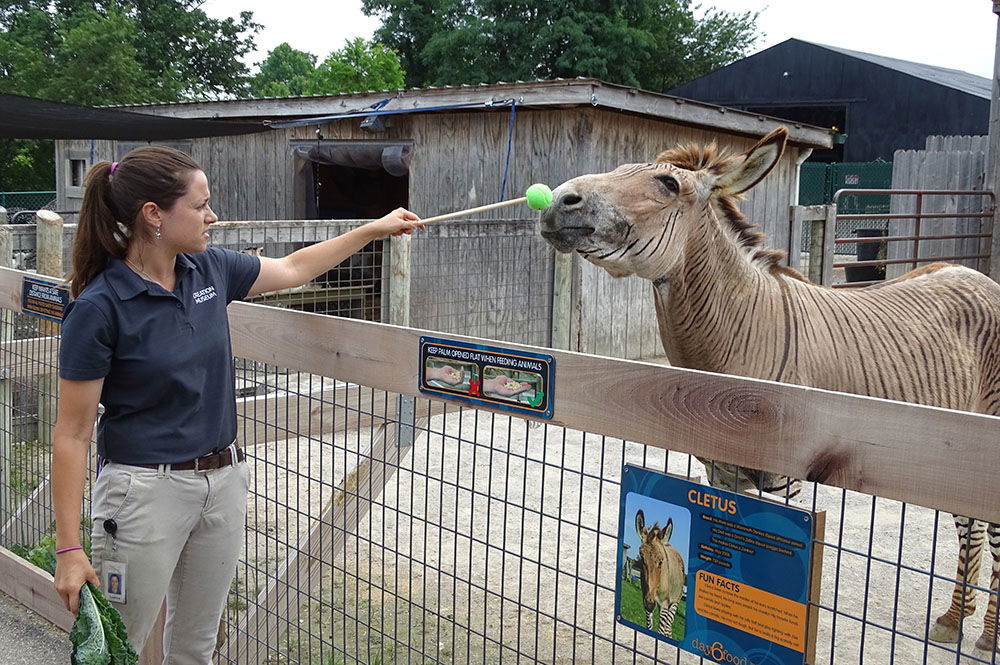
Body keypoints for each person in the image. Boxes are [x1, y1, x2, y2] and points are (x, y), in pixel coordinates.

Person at [50, 146, 422, 663]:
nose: (212, 216)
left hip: (222, 483)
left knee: (196, 646)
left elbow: (293, 267)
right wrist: (69, 550)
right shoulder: (99, 307)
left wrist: (371, 230)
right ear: (154, 215)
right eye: (200, 205)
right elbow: (71, 435)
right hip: (141, 495)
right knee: (118, 648)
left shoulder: (210, 270)